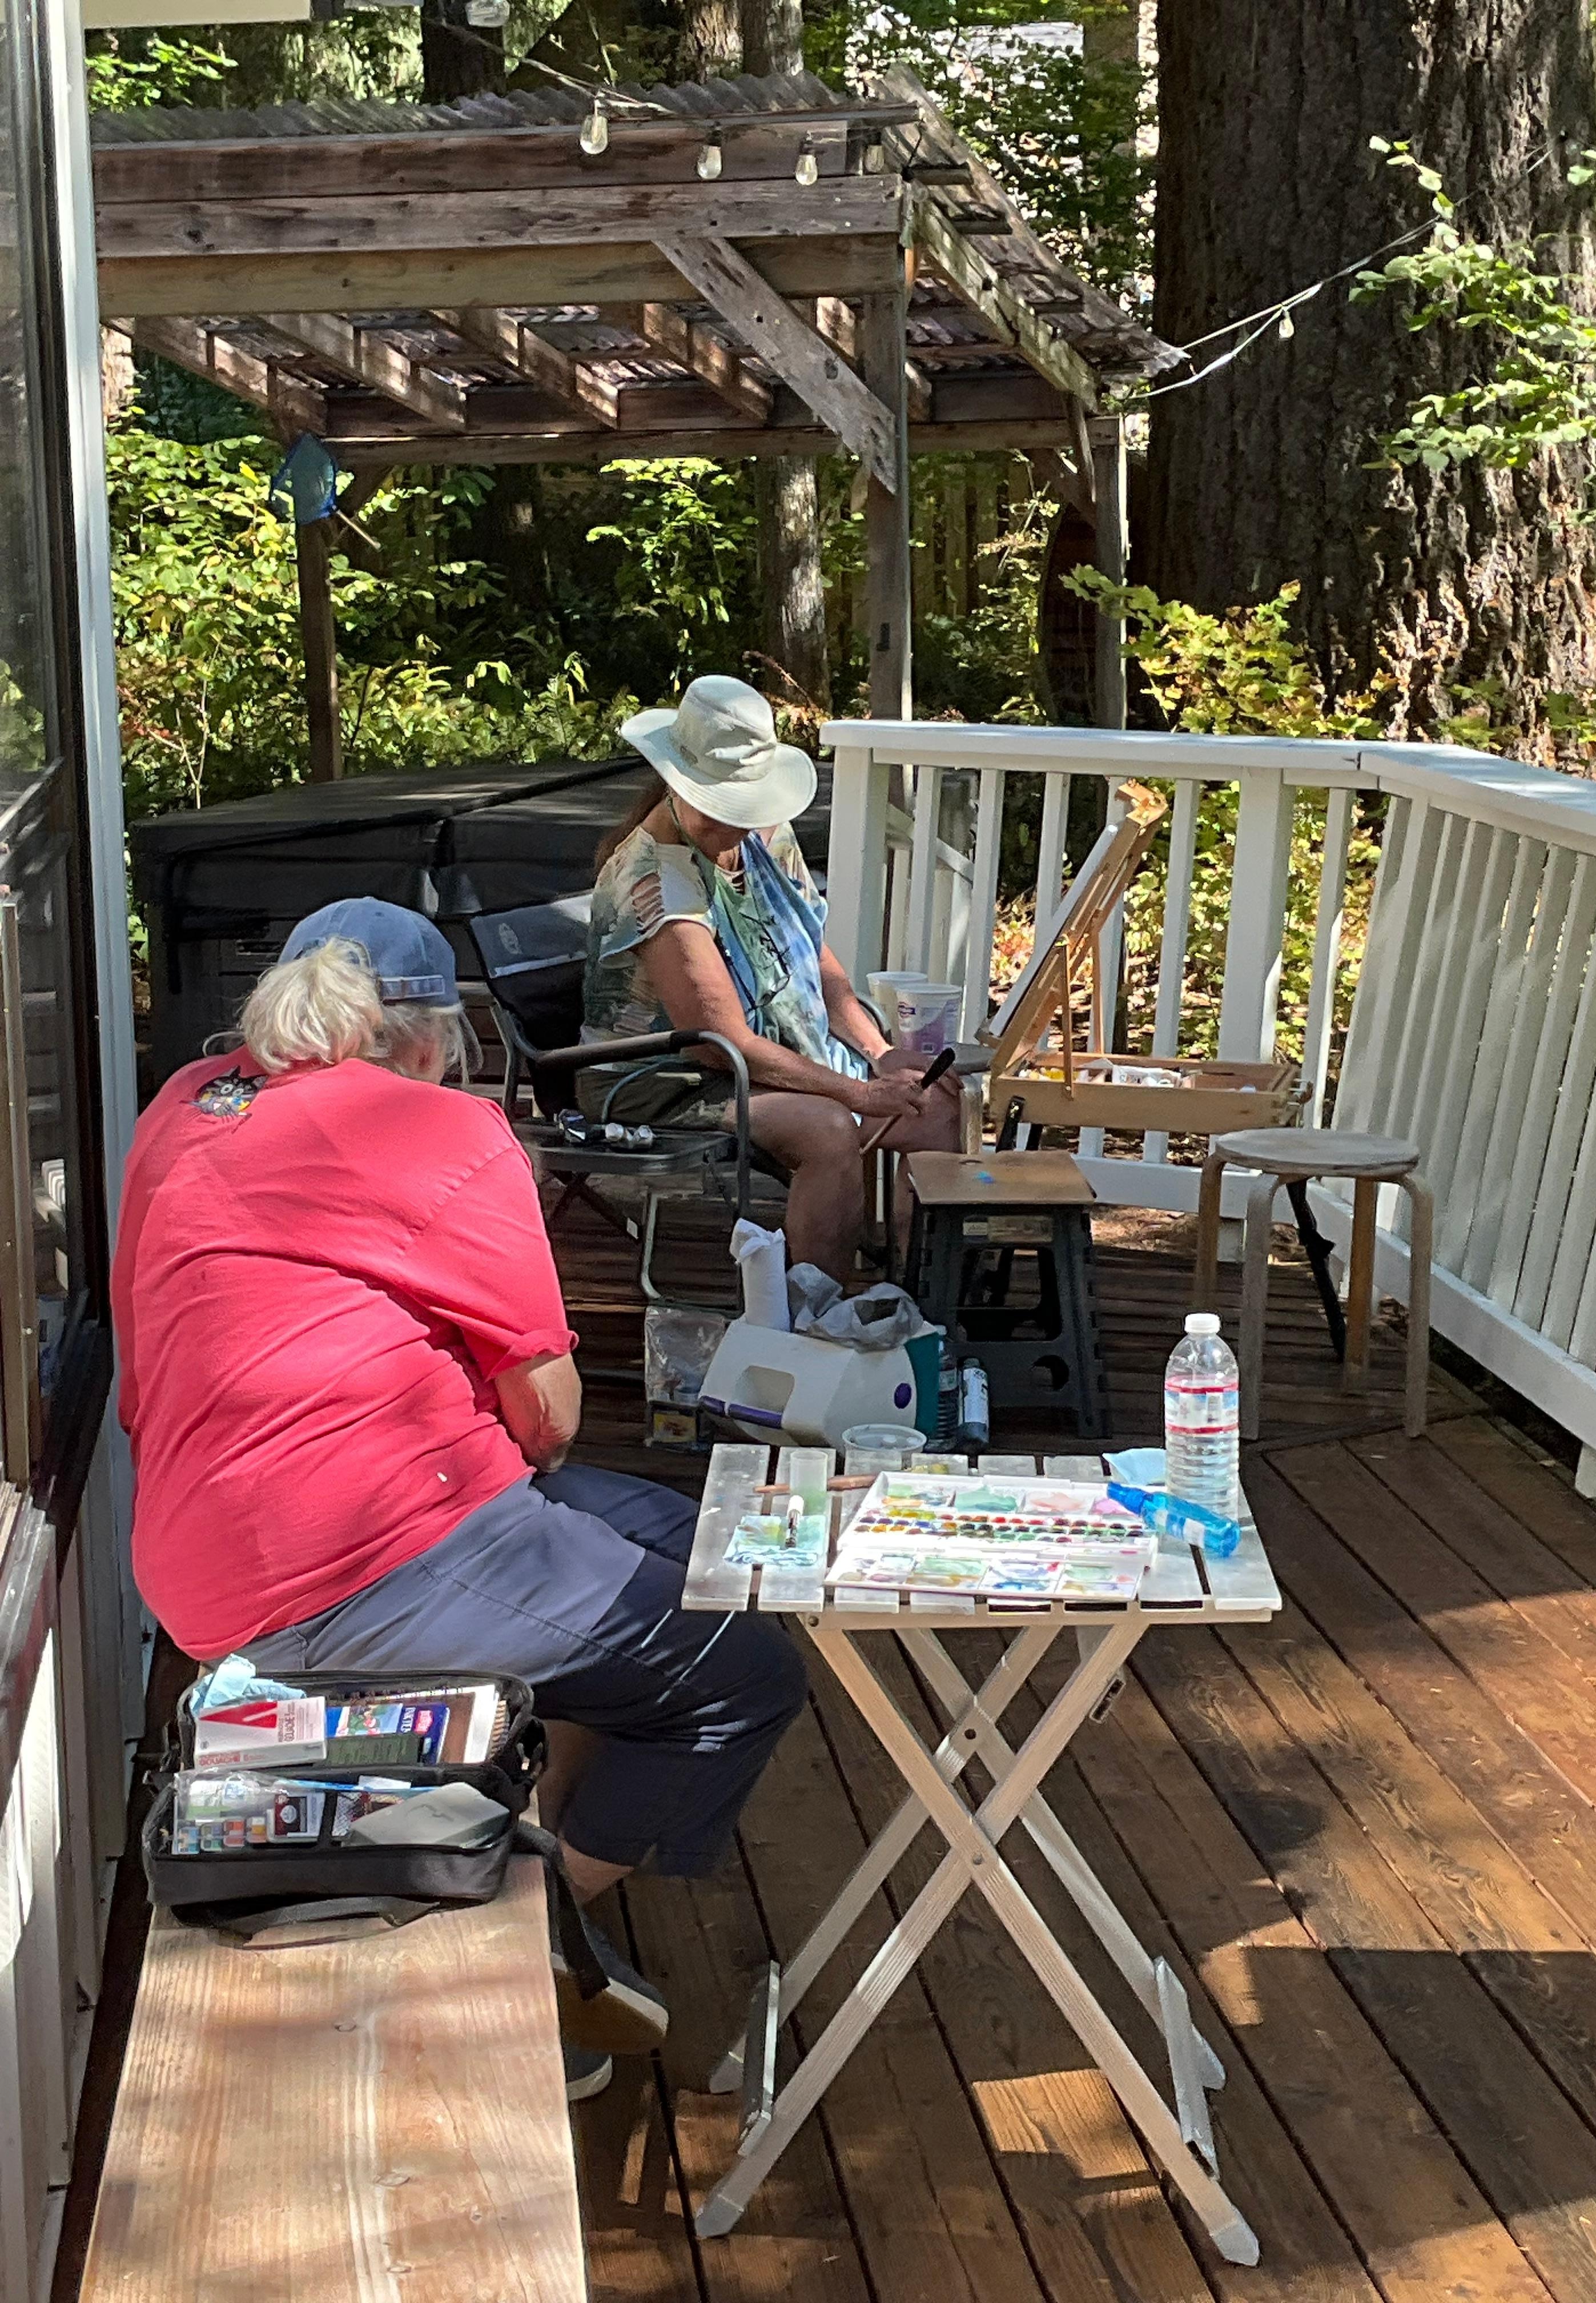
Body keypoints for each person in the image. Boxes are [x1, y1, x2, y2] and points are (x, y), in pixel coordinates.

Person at [112, 897, 805, 2104]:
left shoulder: (187, 1104)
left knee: (697, 1540)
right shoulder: (444, 1130)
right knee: (742, 1669)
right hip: (351, 1564)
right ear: (432, 1035)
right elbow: (551, 1413)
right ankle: (527, 1927)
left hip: (204, 1543)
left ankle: (511, 1816)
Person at [583, 675, 962, 1279]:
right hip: (667, 1079)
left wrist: (880, 1052)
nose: (738, 824)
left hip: (767, 1059)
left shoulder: (766, 834)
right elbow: (720, 1043)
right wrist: (860, 1093)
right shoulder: (655, 877)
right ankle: (820, 1323)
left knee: (937, 1106)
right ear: (680, 783)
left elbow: (817, 959)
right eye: (723, 808)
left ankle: (920, 1292)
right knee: (829, 1128)